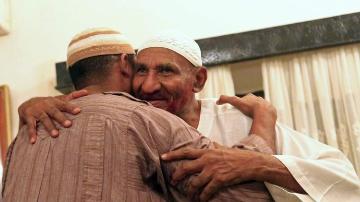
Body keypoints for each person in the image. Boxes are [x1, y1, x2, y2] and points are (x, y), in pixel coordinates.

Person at [16, 31, 360, 201]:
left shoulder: (238, 119)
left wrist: (257, 164)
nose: (148, 85)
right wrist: (31, 103)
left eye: (165, 71)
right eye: (141, 71)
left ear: (198, 80)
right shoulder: (130, 123)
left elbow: (343, 181)